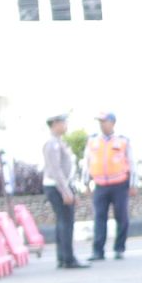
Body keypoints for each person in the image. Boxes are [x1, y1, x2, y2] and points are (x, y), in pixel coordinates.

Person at [39, 112, 85, 270]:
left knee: (63, 222)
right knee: (65, 223)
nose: (65, 125)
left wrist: (71, 190)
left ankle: (63, 257)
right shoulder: (52, 144)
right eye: (63, 122)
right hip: (56, 187)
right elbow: (56, 170)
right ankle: (68, 258)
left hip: (59, 186)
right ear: (55, 124)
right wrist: (66, 192)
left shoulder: (58, 142)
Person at [84, 110, 132, 261]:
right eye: (100, 122)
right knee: (99, 218)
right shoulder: (93, 141)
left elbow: (131, 162)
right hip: (100, 185)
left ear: (112, 123)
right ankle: (98, 251)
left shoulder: (122, 140)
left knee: (122, 217)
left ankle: (119, 248)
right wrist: (86, 183)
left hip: (120, 184)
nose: (102, 125)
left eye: (104, 121)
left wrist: (133, 184)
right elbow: (87, 163)